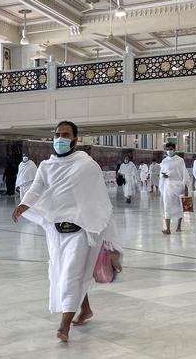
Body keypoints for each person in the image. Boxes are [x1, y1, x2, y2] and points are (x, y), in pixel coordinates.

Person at [11, 121, 120, 343]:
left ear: (75, 139)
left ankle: (64, 325)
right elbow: (37, 188)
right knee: (63, 273)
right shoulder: (46, 165)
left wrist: (99, 226)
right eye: (57, 134)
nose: (60, 138)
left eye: (65, 135)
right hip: (56, 230)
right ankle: (86, 309)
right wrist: (24, 205)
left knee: (70, 274)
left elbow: (98, 197)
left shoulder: (86, 165)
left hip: (81, 230)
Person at [159, 142, 189, 234]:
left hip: (179, 187)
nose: (169, 151)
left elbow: (184, 173)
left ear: (174, 149)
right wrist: (163, 176)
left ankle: (178, 226)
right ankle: (167, 228)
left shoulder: (180, 160)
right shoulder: (164, 161)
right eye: (167, 149)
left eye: (171, 149)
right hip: (168, 187)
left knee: (179, 206)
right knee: (167, 206)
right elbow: (161, 173)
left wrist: (186, 187)